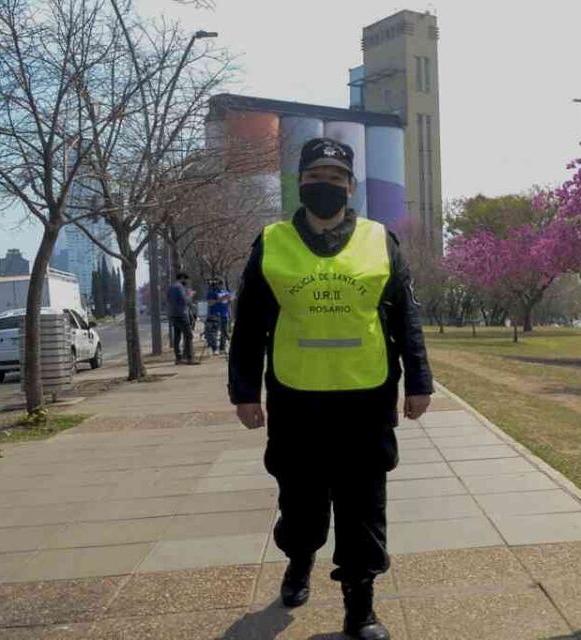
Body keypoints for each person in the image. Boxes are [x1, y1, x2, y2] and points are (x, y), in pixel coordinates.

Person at [228, 137, 433, 640]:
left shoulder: (379, 240)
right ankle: (299, 561)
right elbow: (250, 323)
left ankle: (359, 606)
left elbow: (406, 316)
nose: (326, 186)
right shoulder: (272, 242)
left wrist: (419, 381)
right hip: (297, 399)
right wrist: (244, 391)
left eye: (336, 178)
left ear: (351, 186)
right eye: (315, 177)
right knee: (301, 502)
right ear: (301, 183)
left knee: (363, 504)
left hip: (366, 398)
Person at [166, 272, 199, 365]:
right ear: (182, 278)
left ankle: (178, 358)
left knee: (177, 336)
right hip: (181, 314)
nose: (187, 282)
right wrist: (190, 296)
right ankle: (189, 358)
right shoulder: (179, 287)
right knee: (189, 335)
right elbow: (184, 300)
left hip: (173, 314)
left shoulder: (171, 287)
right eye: (186, 280)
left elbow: (168, 299)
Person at [205, 277, 233, 355]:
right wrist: (220, 299)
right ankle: (214, 348)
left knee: (224, 332)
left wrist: (229, 311)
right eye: (219, 283)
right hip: (214, 314)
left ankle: (222, 348)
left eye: (222, 283)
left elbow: (229, 303)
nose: (221, 285)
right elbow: (210, 303)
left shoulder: (226, 291)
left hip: (224, 314)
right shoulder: (212, 292)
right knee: (214, 332)